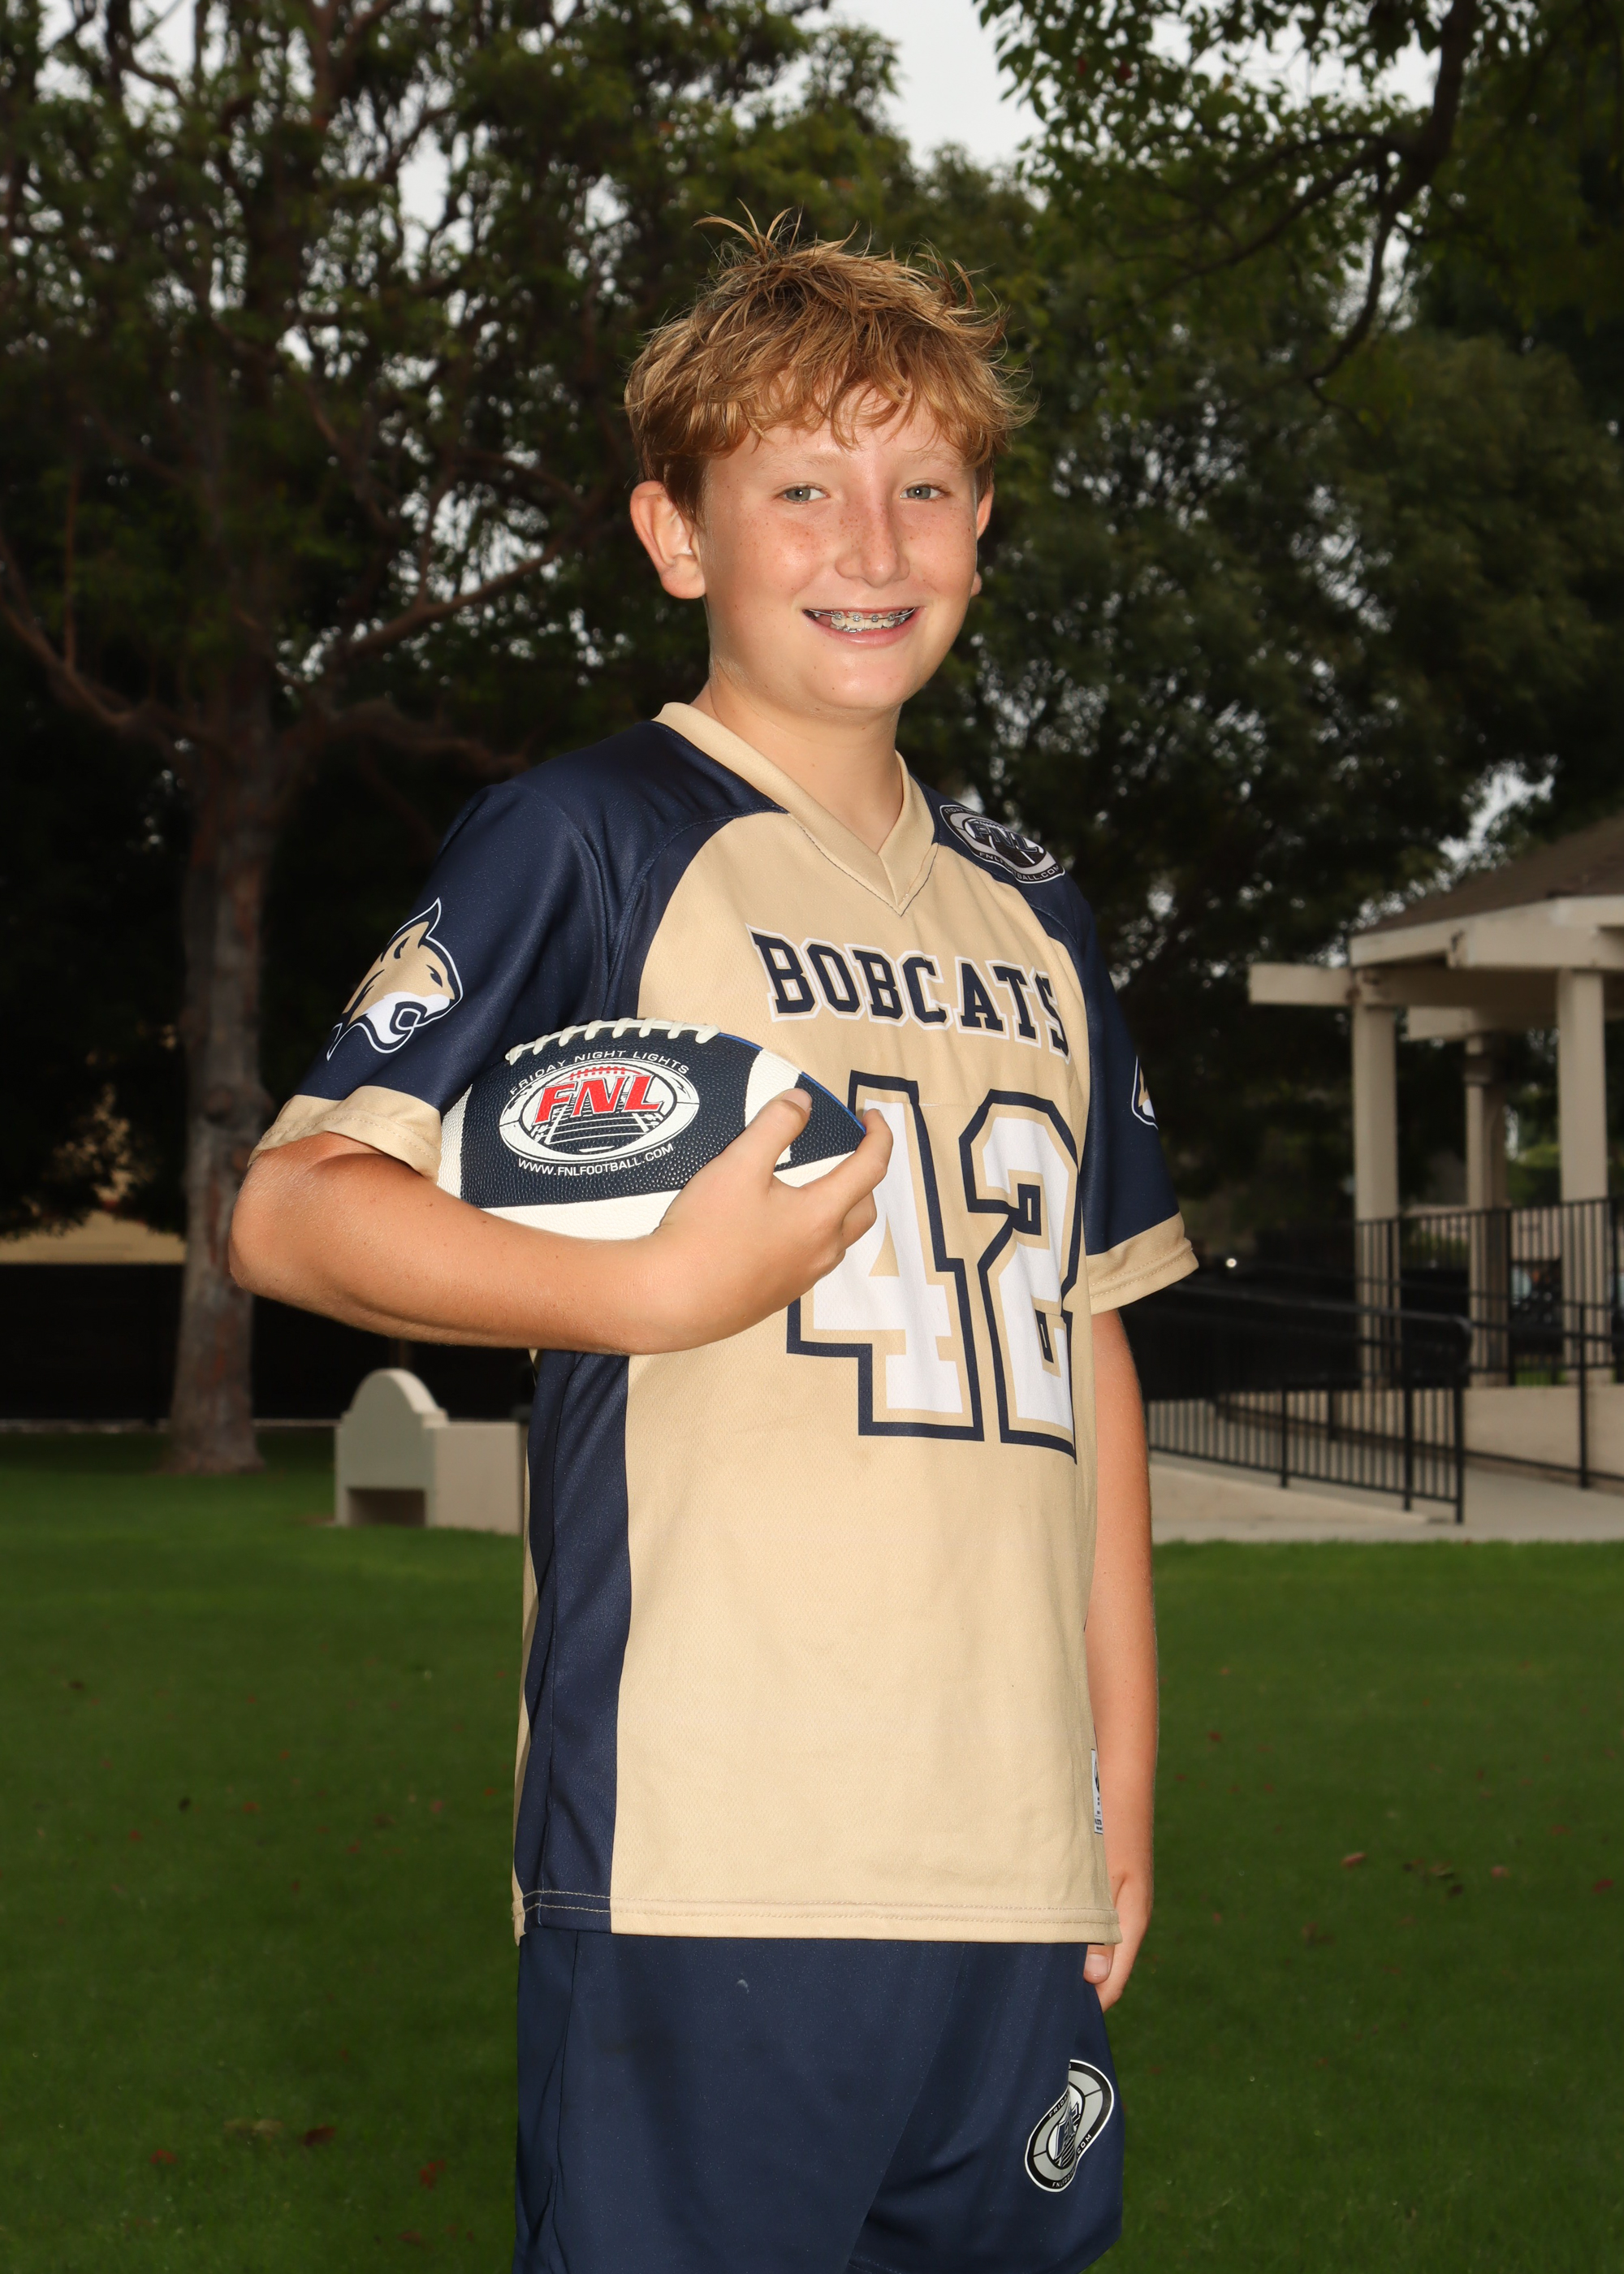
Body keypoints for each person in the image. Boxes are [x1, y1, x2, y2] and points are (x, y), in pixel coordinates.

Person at [231, 220, 1195, 2274]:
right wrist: (649, 1291)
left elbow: (1089, 1341)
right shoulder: (589, 837)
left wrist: (1119, 1773)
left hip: (1006, 1856)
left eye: (922, 483)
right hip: (708, 1843)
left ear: (981, 522)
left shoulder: (1035, 908)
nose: (873, 541)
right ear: (678, 535)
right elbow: (291, 1205)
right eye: (801, 489)